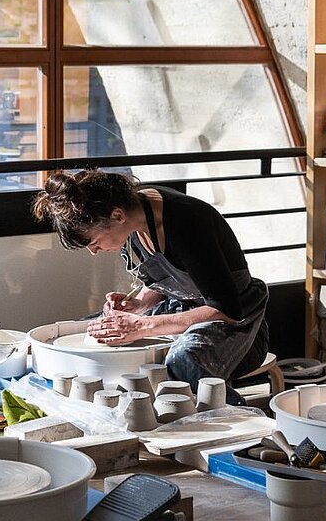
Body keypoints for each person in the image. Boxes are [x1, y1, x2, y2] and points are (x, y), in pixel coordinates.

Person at [32, 169, 269, 398]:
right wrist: (138, 304)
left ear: (117, 215)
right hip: (183, 307)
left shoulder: (186, 222)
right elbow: (168, 280)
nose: (93, 251)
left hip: (238, 322)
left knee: (182, 359)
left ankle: (237, 423)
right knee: (93, 327)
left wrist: (142, 326)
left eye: (92, 241)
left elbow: (226, 308)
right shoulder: (131, 214)